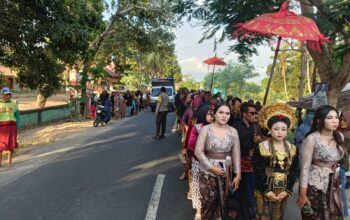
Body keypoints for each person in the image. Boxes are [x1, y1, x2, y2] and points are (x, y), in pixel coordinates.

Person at [195, 103, 241, 220]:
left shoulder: (233, 131)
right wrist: (211, 167)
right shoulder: (206, 129)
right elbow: (198, 152)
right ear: (214, 113)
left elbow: (236, 153)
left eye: (227, 113)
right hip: (207, 173)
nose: (224, 116)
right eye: (221, 112)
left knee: (222, 205)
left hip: (225, 172)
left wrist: (238, 174)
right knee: (207, 204)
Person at [298, 105, 345, 220]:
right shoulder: (311, 139)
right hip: (314, 187)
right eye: (329, 118)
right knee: (315, 217)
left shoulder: (340, 136)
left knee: (334, 216)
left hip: (334, 184)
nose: (335, 121)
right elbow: (304, 168)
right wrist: (302, 195)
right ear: (319, 120)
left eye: (336, 117)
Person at [254, 103, 299, 219]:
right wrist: (266, 190)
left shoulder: (292, 149)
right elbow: (257, 170)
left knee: (278, 216)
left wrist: (288, 190)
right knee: (263, 215)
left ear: (287, 130)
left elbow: (294, 170)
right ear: (269, 129)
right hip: (264, 188)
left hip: (283, 190)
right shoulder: (262, 147)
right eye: (276, 129)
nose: (280, 132)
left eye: (283, 129)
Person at [232, 102, 261, 219]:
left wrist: (257, 142)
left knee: (249, 190)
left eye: (256, 113)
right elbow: (232, 146)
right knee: (236, 188)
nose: (255, 115)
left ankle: (247, 213)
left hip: (250, 163)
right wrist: (247, 149)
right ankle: (234, 211)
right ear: (244, 114)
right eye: (252, 113)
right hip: (237, 162)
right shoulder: (235, 127)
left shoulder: (254, 126)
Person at [187, 104, 214, 220]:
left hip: (213, 163)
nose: (211, 116)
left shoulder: (217, 128)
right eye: (209, 114)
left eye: (213, 114)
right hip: (198, 162)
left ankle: (210, 211)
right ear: (203, 113)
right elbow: (191, 145)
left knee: (211, 189)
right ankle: (198, 211)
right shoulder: (197, 127)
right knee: (198, 188)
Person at [0, 87, 20, 166]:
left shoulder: (14, 104)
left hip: (12, 126)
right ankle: (0, 162)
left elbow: (17, 116)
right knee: (0, 144)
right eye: (6, 94)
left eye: (9, 94)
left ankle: (9, 161)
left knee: (11, 143)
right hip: (1, 126)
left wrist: (17, 125)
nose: (8, 96)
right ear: (2, 94)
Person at [338, 111, 350, 218]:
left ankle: (344, 214)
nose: (342, 122)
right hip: (337, 165)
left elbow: (344, 154)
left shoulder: (347, 136)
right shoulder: (339, 132)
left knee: (340, 191)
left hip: (340, 166)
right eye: (340, 119)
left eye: (344, 120)